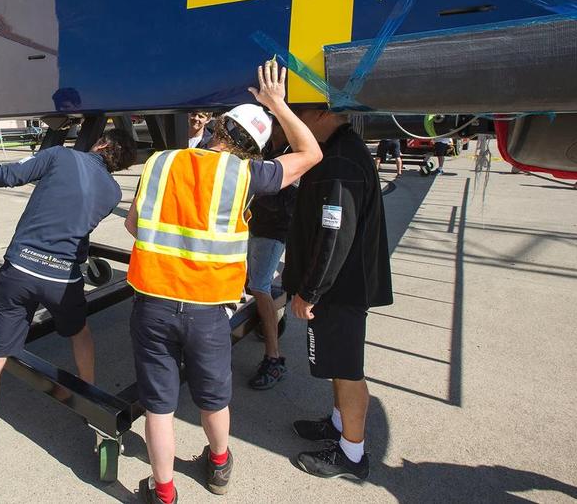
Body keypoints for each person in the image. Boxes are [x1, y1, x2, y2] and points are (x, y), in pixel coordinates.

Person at [126, 60, 322, 503]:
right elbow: (311, 153)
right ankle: (218, 467)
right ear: (252, 148)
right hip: (208, 311)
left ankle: (164, 493)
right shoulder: (247, 175)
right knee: (213, 398)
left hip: (153, 304)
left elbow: (135, 227)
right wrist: (277, 104)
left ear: (215, 127)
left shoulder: (160, 161)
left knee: (158, 407)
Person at [0, 128, 138, 473]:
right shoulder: (113, 192)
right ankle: (89, 399)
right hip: (63, 278)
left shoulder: (60, 156)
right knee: (79, 332)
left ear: (101, 143)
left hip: (21, 270)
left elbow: (10, 174)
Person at [282, 108, 393, 481]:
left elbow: (334, 234)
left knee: (347, 371)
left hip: (340, 290)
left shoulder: (341, 160)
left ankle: (351, 454)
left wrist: (310, 291)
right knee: (336, 364)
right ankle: (337, 423)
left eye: (300, 111)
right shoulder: (340, 149)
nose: (294, 118)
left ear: (322, 113)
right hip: (342, 286)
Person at [246, 126, 298, 391]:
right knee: (253, 283)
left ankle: (273, 358)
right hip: (255, 226)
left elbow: (285, 199)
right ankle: (274, 318)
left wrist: (252, 185)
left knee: (259, 286)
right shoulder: (267, 150)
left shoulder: (291, 155)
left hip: (274, 230)